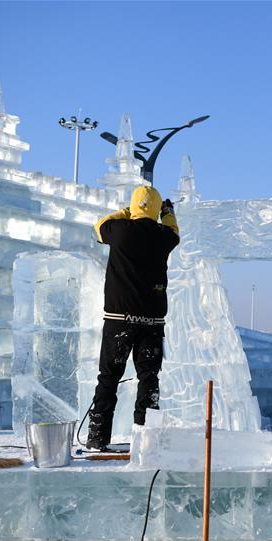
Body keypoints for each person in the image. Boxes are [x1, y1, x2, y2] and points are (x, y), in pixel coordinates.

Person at [86, 185, 180, 451]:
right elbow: (175, 231)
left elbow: (98, 226)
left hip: (118, 320)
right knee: (149, 380)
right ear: (156, 209)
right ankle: (146, 440)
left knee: (108, 378)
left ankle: (97, 436)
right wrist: (167, 213)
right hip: (151, 323)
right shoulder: (164, 236)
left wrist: (128, 211)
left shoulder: (119, 231)